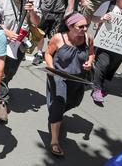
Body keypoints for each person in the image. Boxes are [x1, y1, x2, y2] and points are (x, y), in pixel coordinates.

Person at [44, 13, 94, 158]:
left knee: (73, 102)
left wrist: (90, 62)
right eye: (81, 26)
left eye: (86, 26)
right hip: (59, 77)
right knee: (58, 104)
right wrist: (51, 68)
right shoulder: (59, 38)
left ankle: (56, 115)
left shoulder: (88, 38)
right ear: (70, 27)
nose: (85, 29)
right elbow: (48, 53)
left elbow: (91, 54)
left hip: (77, 79)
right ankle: (54, 141)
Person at [0, 0, 40, 123]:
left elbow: (37, 22)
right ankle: (2, 101)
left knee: (10, 72)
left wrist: (31, 10)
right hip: (3, 42)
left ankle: (1, 87)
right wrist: (6, 31)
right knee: (1, 72)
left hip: (20, 44)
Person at [32, 0, 75, 65]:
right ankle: (38, 53)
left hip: (59, 12)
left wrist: (69, 10)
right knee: (40, 34)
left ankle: (49, 53)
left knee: (54, 35)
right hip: (44, 11)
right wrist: (35, 8)